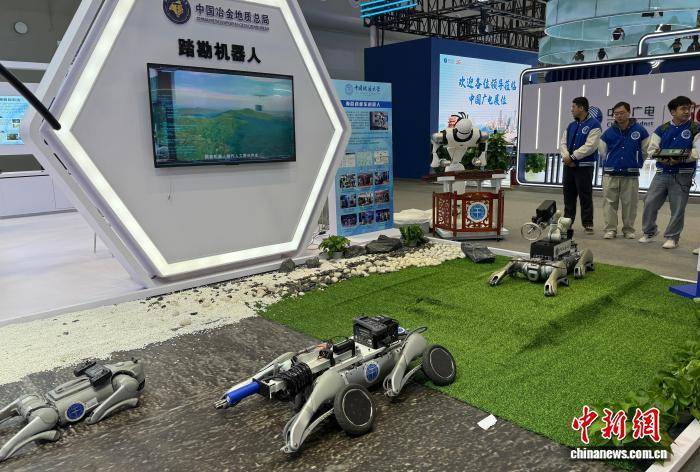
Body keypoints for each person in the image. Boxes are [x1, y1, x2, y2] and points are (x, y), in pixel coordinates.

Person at [639, 96, 700, 249]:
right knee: (649, 202)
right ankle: (650, 231)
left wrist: (680, 159)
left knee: (678, 207)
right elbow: (652, 149)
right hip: (662, 172)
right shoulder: (662, 129)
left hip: (683, 174)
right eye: (683, 109)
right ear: (673, 112)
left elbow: (698, 151)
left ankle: (672, 237)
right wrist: (664, 158)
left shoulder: (695, 128)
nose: (687, 112)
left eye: (688, 109)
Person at [598, 102, 650, 239]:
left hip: (630, 173)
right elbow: (603, 152)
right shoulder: (608, 132)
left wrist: (636, 162)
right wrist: (611, 162)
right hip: (611, 173)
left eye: (622, 113)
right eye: (616, 114)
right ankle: (610, 229)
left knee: (630, 204)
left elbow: (645, 150)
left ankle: (628, 229)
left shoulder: (640, 131)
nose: (619, 116)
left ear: (629, 113)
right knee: (609, 203)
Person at [559, 97, 602, 234]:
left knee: (585, 195)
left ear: (581, 108)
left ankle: (588, 223)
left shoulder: (594, 125)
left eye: (573, 107)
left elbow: (590, 146)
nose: (571, 110)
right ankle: (567, 221)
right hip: (568, 166)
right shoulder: (571, 125)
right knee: (568, 195)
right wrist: (566, 157)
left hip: (584, 166)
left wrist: (572, 157)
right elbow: (563, 143)